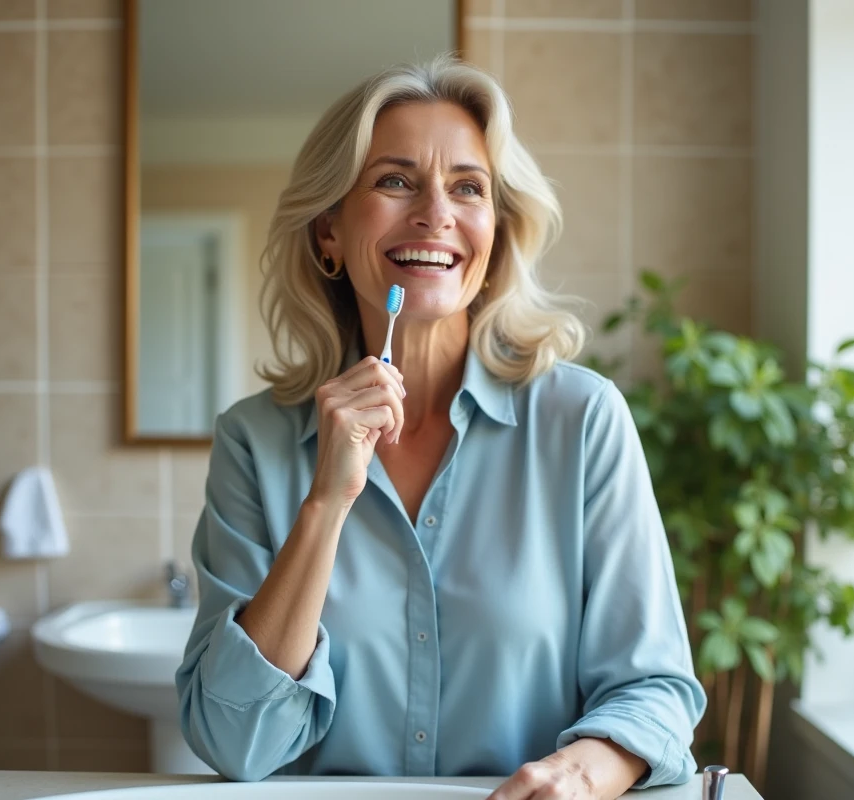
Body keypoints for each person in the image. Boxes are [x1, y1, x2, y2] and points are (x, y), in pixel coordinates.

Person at [175, 54, 706, 799]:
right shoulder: (252, 443)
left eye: (468, 188)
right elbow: (234, 742)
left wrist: (582, 774)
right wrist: (325, 505)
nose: (435, 213)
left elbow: (655, 690)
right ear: (328, 232)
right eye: (395, 181)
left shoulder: (583, 422)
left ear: (493, 239)